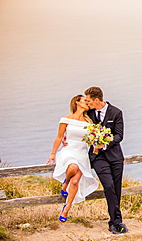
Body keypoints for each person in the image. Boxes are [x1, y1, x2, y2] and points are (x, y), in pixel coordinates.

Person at [46, 95, 98, 223]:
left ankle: (67, 208)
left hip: (82, 153)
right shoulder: (65, 119)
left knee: (75, 182)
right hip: (69, 150)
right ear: (77, 102)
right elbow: (59, 137)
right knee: (72, 167)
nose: (87, 103)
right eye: (84, 101)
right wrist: (52, 154)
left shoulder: (89, 122)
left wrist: (98, 143)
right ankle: (65, 183)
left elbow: (93, 139)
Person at [84, 86, 129, 234]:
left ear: (97, 100)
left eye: (89, 100)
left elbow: (119, 136)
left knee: (116, 188)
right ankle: (117, 222)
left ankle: (114, 221)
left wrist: (106, 143)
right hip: (98, 158)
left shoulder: (116, 112)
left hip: (115, 156)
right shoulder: (88, 113)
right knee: (108, 186)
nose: (87, 103)